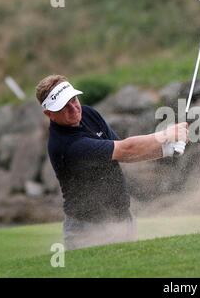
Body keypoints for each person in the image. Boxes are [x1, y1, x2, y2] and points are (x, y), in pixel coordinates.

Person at [35, 74, 188, 250]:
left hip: (123, 220)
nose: (73, 108)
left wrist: (167, 149)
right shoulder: (65, 145)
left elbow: (124, 155)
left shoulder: (89, 115)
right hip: (87, 230)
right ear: (49, 114)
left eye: (73, 99)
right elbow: (125, 149)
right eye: (63, 106)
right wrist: (165, 135)